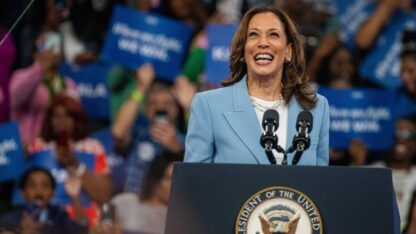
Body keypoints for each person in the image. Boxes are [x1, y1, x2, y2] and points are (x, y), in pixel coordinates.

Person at [184, 5, 329, 165]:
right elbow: (195, 183)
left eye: (273, 34)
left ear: (288, 51)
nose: (263, 43)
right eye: (253, 35)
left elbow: (319, 183)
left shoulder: (316, 107)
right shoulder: (208, 106)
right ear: (244, 50)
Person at [26, 94, 112, 227]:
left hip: (85, 223)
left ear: (77, 120)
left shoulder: (93, 148)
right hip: (44, 225)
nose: (62, 121)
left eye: (68, 116)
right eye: (57, 116)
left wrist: (76, 165)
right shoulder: (37, 148)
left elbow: (104, 197)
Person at [0, 167, 88, 234]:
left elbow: (80, 231)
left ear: (53, 193)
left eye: (45, 185)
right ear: (22, 193)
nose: (39, 190)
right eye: (32, 185)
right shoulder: (8, 221)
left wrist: (75, 197)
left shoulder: (60, 218)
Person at [110, 151, 178, 233]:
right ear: (155, 180)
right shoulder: (124, 202)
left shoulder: (180, 218)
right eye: (170, 179)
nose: (176, 185)